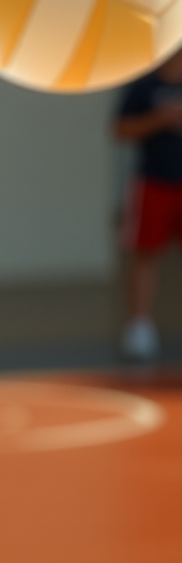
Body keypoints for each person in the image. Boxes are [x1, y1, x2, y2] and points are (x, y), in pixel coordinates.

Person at [115, 47, 182, 362]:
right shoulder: (143, 86)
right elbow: (120, 130)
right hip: (152, 183)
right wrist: (159, 120)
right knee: (145, 254)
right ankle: (140, 326)